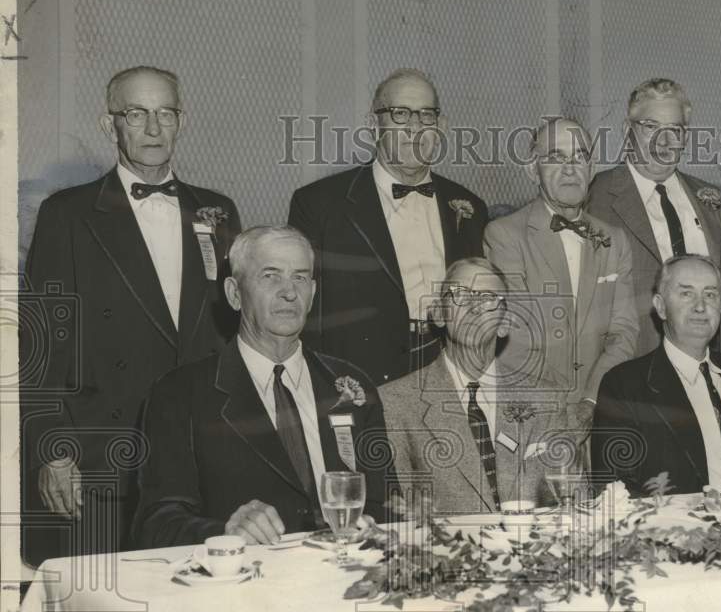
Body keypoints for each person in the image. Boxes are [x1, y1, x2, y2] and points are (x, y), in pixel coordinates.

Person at [20, 65, 241, 565]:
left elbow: (230, 337)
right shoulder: (68, 214)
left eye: (166, 113)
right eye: (136, 114)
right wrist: (52, 451)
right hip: (103, 454)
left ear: (181, 121)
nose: (153, 128)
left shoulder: (218, 211)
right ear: (109, 125)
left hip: (197, 451)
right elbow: (39, 348)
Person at [133, 226, 388, 548]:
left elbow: (385, 502)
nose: (289, 292)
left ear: (312, 292)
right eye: (270, 276)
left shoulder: (351, 385)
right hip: (245, 586)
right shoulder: (180, 394)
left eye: (299, 277)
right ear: (234, 294)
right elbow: (156, 524)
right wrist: (223, 532)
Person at [288, 68, 488, 386]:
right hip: (358, 382)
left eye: (426, 115)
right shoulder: (320, 204)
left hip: (450, 379)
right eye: (399, 114)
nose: (414, 127)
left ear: (441, 127)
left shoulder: (470, 206)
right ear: (373, 125)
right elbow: (302, 311)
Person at [484, 117, 638, 435]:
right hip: (533, 417)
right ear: (532, 170)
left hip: (600, 415)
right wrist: (560, 412)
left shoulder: (615, 240)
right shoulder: (504, 235)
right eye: (556, 157)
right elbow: (518, 336)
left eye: (579, 156)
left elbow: (623, 335)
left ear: (592, 167)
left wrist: (591, 401)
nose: (570, 168)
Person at [379, 258, 569, 515]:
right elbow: (398, 517)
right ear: (439, 314)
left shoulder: (545, 399)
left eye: (488, 297)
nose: (474, 306)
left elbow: (572, 504)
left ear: (505, 323)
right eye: (459, 294)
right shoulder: (395, 403)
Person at [589, 78, 721, 357]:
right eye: (651, 127)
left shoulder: (710, 198)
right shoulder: (598, 197)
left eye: (675, 129)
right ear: (628, 130)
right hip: (634, 370)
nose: (664, 141)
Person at [592, 255, 721, 498]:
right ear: (661, 306)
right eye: (686, 294)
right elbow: (615, 490)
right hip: (678, 528)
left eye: (710, 294)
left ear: (720, 307)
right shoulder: (624, 385)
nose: (700, 306)